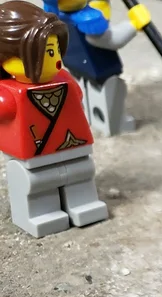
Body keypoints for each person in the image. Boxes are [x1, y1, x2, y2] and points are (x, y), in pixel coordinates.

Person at [0, 0, 107, 237]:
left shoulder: (64, 79)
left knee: (80, 171)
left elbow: (77, 96)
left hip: (74, 145)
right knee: (36, 181)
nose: (56, 60)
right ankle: (40, 212)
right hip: (33, 155)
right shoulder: (7, 93)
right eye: (46, 53)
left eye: (55, 50)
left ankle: (82, 202)